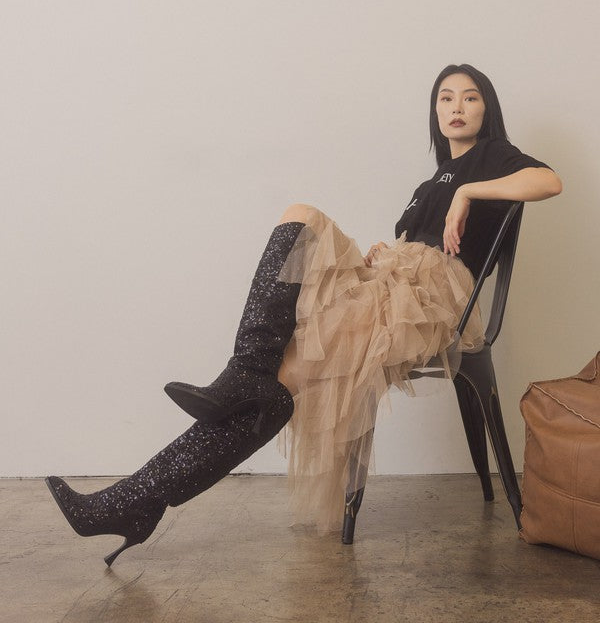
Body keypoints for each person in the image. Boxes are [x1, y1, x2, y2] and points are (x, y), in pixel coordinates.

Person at [46, 63, 562, 565]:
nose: (456, 106)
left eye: (470, 97)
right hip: (389, 282)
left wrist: (469, 192)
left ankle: (135, 497)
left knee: (276, 381)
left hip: (432, 300)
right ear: (434, 111)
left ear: (486, 108)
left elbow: (549, 181)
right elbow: (414, 242)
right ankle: (193, 433)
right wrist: (383, 252)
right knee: (299, 223)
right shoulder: (427, 184)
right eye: (445, 98)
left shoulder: (493, 155)